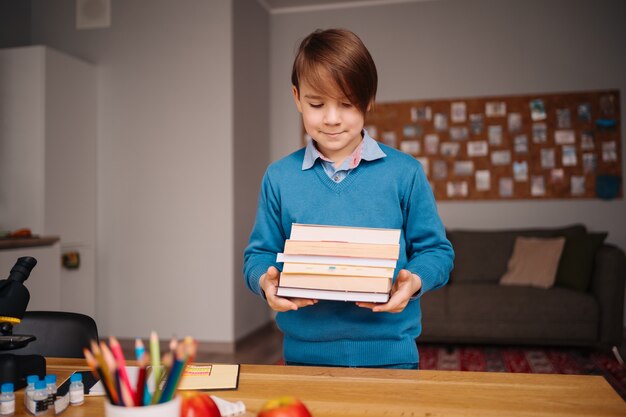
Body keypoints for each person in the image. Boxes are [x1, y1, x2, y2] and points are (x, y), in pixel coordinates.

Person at [244, 28, 454, 369]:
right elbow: (258, 254)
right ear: (297, 98)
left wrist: (413, 281)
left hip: (391, 357)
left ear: (368, 100)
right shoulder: (279, 178)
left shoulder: (405, 173)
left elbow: (436, 252)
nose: (331, 118)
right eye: (316, 104)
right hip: (303, 359)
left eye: (346, 103)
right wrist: (265, 281)